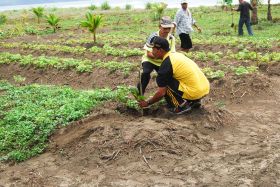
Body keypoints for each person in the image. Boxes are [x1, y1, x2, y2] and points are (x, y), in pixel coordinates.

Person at [138, 37, 210, 115]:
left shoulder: (166, 65)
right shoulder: (176, 55)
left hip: (195, 92)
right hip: (204, 88)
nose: (152, 51)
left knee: (165, 83)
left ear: (160, 50)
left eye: (153, 49)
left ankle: (181, 106)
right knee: (174, 78)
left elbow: (161, 93)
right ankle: (195, 101)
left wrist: (148, 103)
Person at [137, 16, 176, 95]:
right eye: (165, 28)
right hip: (150, 59)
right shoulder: (153, 37)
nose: (167, 30)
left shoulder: (171, 38)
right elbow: (148, 54)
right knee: (145, 73)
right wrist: (160, 57)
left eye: (169, 28)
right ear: (159, 27)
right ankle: (139, 95)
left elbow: (172, 54)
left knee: (167, 77)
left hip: (163, 61)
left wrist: (165, 61)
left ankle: (170, 97)